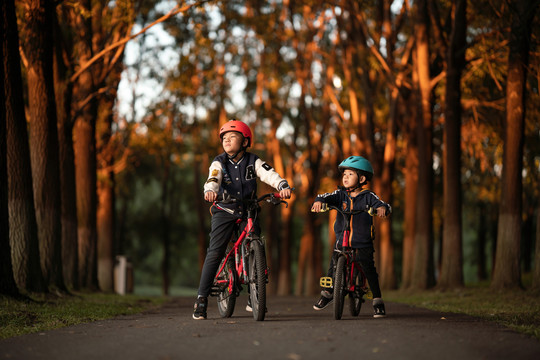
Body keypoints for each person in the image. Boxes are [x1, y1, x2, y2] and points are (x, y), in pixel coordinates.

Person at [193, 120, 292, 320]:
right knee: (215, 251)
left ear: (245, 141)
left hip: (249, 210)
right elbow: (213, 178)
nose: (227, 140)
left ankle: (254, 296)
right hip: (224, 210)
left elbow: (268, 173)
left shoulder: (253, 160)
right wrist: (211, 192)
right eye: (224, 138)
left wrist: (281, 185)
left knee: (256, 243)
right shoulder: (219, 162)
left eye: (233, 137)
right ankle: (201, 299)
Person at [311, 156, 391, 318]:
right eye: (344, 174)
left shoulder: (369, 196)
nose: (345, 177)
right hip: (342, 240)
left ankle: (377, 301)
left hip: (362, 242)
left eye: (350, 174)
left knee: (368, 268)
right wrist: (319, 201)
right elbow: (324, 196)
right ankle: (328, 293)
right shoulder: (340, 195)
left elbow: (382, 204)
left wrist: (382, 208)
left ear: (361, 179)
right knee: (333, 265)